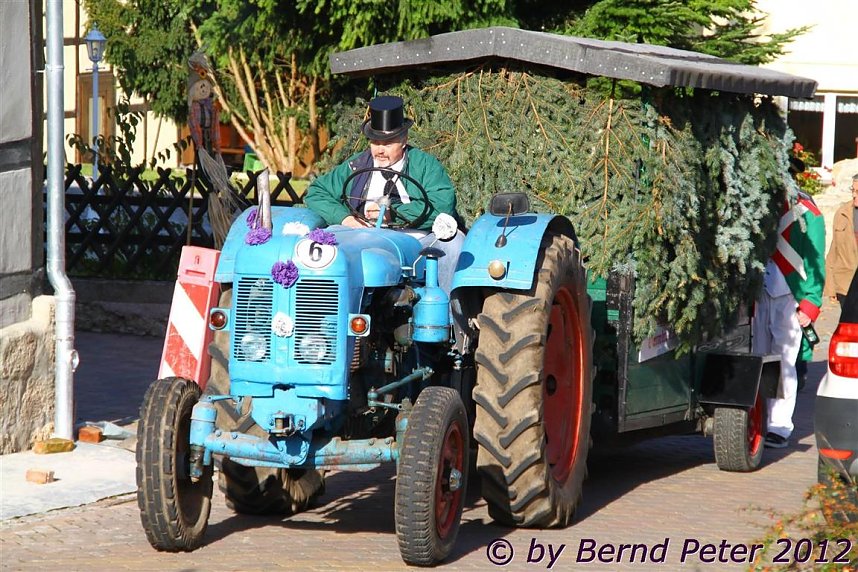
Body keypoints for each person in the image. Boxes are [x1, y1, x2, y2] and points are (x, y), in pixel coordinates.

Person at [305, 95, 464, 294]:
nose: (380, 150)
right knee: (322, 242)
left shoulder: (425, 164)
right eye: (375, 142)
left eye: (388, 143)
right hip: (363, 236)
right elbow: (317, 192)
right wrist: (345, 219)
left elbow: (442, 205)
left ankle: (448, 316)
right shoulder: (358, 164)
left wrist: (394, 213)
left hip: (417, 240)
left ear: (404, 140)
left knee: (454, 242)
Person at [753, 171, 825, 449]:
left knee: (784, 362)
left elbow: (815, 262)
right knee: (759, 358)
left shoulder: (808, 214)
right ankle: (759, 416)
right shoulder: (758, 205)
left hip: (790, 296)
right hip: (761, 293)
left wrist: (810, 303)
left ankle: (780, 424)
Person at [823, 173, 858, 305]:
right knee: (849, 326)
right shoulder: (842, 213)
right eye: (852, 190)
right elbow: (833, 253)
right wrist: (830, 289)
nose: (854, 195)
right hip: (845, 287)